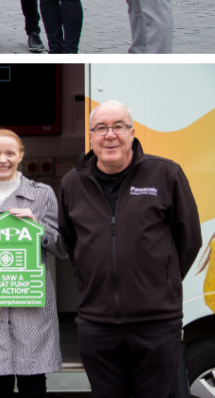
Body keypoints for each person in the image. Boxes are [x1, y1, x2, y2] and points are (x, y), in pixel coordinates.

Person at [58, 101, 201, 398]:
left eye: (118, 127)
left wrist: (163, 282)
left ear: (132, 132)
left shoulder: (166, 174)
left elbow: (189, 239)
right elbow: (72, 243)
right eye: (100, 128)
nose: (110, 135)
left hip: (157, 324)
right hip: (96, 324)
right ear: (91, 137)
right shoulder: (73, 183)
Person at [0, 131, 65, 398]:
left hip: (30, 304)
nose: (3, 159)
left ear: (21, 155)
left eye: (10, 153)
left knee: (33, 385)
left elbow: (62, 247)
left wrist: (38, 227)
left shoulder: (42, 195)